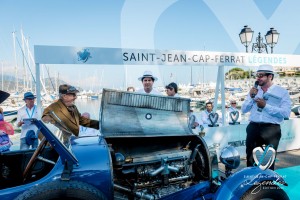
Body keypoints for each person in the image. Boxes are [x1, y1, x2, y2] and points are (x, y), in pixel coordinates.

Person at [241, 64, 291, 170]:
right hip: (253, 127)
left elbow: (286, 113)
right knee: (250, 158)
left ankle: (267, 183)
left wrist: (266, 106)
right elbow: (244, 110)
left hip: (271, 130)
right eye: (257, 75)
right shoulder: (254, 90)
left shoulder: (282, 92)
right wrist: (250, 97)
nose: (258, 78)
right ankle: (252, 183)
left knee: (268, 160)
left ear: (270, 77)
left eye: (261, 75)